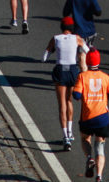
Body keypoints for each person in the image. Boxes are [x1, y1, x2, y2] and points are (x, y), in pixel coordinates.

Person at [42, 16, 89, 151]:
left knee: (61, 103)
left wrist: (51, 53)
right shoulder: (77, 38)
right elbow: (86, 50)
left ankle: (65, 137)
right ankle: (70, 131)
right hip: (73, 71)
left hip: (60, 70)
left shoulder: (56, 38)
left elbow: (44, 57)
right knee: (69, 101)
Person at [72, 48, 109, 182]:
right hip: (102, 117)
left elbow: (76, 95)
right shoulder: (105, 77)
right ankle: (99, 176)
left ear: (87, 61)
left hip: (87, 117)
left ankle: (89, 158)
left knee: (85, 139)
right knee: (100, 146)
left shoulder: (82, 76)